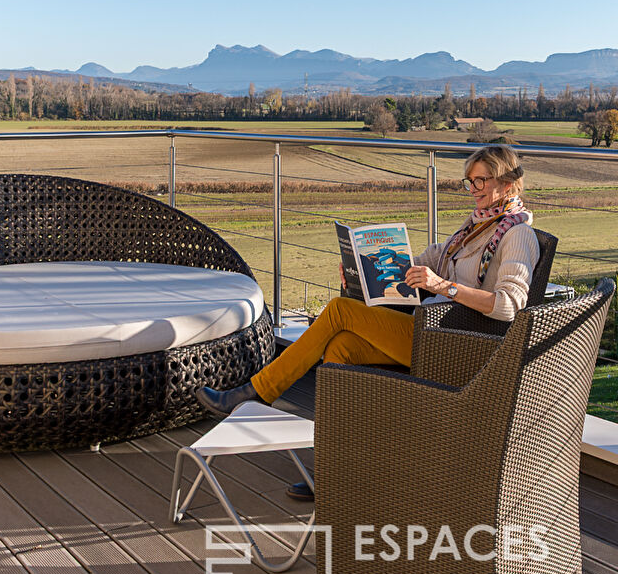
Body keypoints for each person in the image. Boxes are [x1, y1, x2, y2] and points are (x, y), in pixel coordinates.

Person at [194, 145, 540, 424]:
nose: (473, 190)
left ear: (507, 184)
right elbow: (427, 260)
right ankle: (335, 464)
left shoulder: (517, 234)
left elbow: (510, 304)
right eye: (469, 181)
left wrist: (442, 287)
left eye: (481, 181)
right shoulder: (474, 227)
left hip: (456, 345)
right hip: (429, 330)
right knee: (341, 347)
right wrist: (366, 265)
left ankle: (257, 392)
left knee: (341, 310)